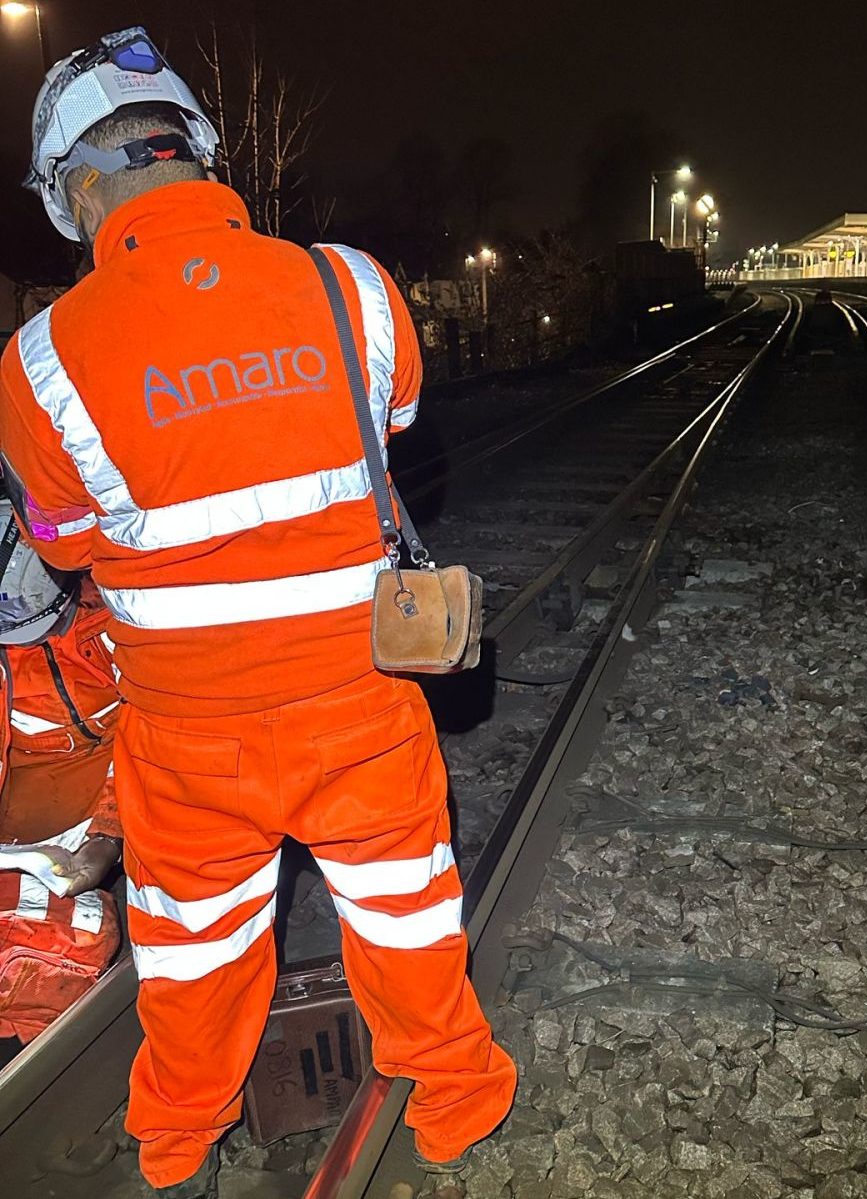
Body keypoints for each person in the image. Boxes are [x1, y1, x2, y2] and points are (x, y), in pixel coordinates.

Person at [0, 27, 515, 1198]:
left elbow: (66, 546)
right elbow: (386, 432)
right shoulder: (352, 287)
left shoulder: (36, 365)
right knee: (404, 911)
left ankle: (178, 1139)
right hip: (362, 706)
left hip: (187, 740)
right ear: (197, 152)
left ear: (84, 191)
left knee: (193, 952)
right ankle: (456, 1101)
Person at [0, 536, 122, 1051]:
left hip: (133, 788)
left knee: (83, 938)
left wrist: (107, 839)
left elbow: (160, 729)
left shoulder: (125, 608)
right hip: (27, 826)